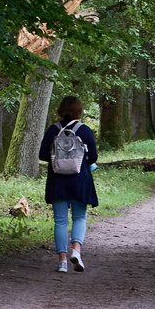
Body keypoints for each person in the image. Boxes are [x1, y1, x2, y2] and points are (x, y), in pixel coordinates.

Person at [39, 95, 98, 273]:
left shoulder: (52, 130)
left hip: (58, 181)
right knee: (79, 218)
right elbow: (93, 157)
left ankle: (62, 262)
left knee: (60, 221)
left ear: (61, 109)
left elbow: (42, 155)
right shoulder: (85, 130)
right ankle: (77, 252)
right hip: (80, 181)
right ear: (79, 110)